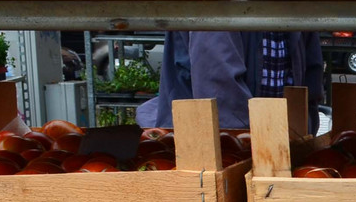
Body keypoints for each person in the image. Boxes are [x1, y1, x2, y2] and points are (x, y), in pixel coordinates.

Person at [137, 31, 325, 130]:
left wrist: (303, 131)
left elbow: (310, 72)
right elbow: (220, 92)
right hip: (221, 145)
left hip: (275, 142)